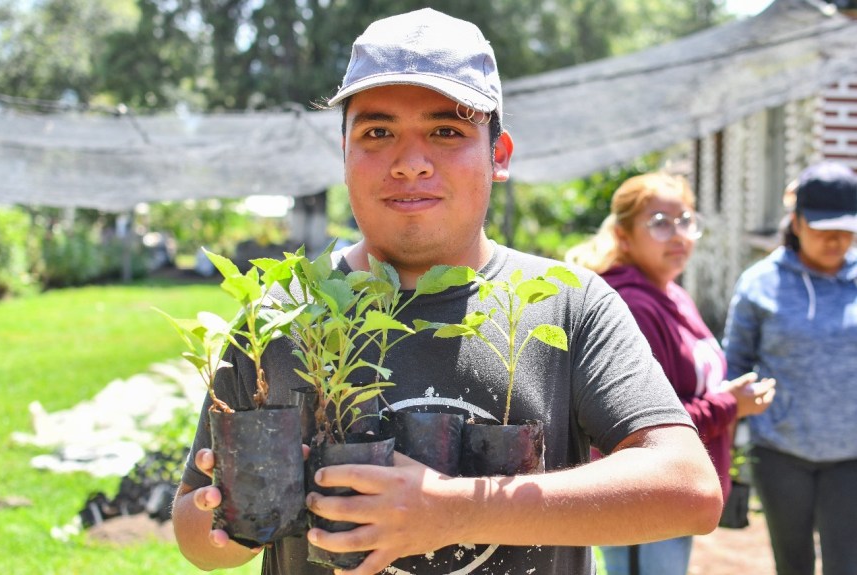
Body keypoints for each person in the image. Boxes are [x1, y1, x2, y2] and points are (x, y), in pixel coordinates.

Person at [171, 9, 724, 575]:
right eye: (377, 133)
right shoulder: (285, 311)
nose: (410, 164)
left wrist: (453, 511)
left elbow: (688, 488)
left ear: (498, 155)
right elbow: (193, 533)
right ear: (344, 155)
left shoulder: (571, 303)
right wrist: (236, 516)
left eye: (446, 131)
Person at [566, 172, 776, 575]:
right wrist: (731, 405)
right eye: (660, 223)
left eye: (686, 221)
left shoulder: (670, 292)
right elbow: (650, 424)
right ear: (624, 237)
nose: (678, 234)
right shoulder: (632, 305)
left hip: (674, 489)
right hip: (645, 492)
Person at [722, 161, 857, 575]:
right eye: (822, 228)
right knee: (793, 562)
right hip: (780, 450)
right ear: (796, 222)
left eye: (846, 229)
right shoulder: (760, 283)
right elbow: (737, 361)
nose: (835, 240)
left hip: (851, 454)